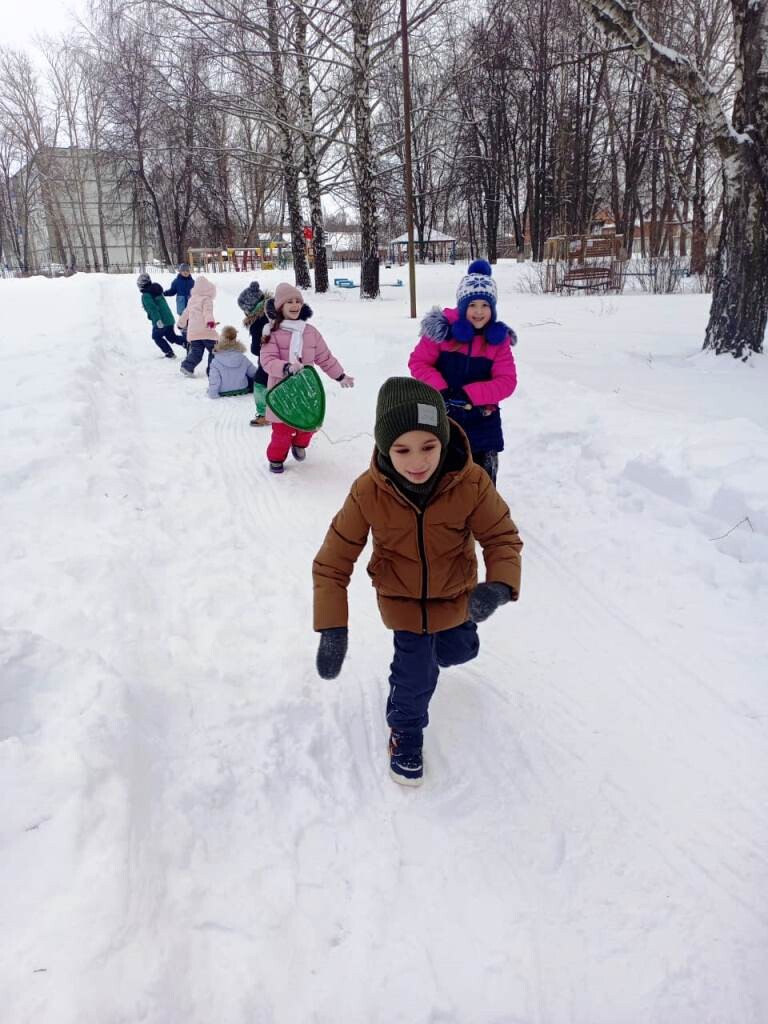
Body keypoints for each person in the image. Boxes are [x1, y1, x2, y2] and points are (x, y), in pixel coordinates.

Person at [312, 377, 523, 786]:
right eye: (402, 450)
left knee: (459, 652)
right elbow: (332, 563)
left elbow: (501, 537)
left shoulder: (471, 482)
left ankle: (452, 641)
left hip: (458, 596)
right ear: (384, 449)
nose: (417, 461)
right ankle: (405, 731)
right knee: (415, 675)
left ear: (444, 439)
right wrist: (332, 628)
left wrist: (498, 586)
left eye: (428, 446)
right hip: (403, 602)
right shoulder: (368, 492)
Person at [408, 259, 517, 484]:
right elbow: (418, 363)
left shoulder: (498, 341)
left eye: (485, 305)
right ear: (462, 305)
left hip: (482, 419)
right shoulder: (442, 332)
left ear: (493, 308)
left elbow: (507, 381)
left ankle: (483, 515)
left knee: (482, 479)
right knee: (439, 474)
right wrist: (441, 389)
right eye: (472, 305)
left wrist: (471, 394)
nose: (478, 312)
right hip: (441, 413)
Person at [259, 282, 354, 474]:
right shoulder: (272, 332)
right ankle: (276, 458)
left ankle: (300, 444)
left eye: (298, 301)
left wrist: (340, 375)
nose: (295, 305)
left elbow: (324, 357)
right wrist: (285, 367)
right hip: (281, 389)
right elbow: (267, 360)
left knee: (310, 424)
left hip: (306, 388)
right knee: (282, 432)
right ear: (280, 307)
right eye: (289, 302)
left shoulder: (310, 332)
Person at [237, 280, 271, 426]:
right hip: (282, 357)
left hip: (267, 359)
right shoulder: (272, 312)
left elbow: (256, 348)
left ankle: (265, 415)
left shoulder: (258, 322)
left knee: (260, 384)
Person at [177, 276, 219, 377]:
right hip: (206, 331)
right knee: (215, 351)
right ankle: (212, 371)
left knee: (196, 352)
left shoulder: (192, 300)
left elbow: (185, 313)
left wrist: (180, 324)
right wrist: (210, 322)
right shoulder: (206, 299)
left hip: (193, 333)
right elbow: (207, 312)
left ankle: (187, 367)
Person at [137, 273, 186, 358]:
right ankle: (187, 343)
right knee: (171, 337)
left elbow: (153, 309)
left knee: (156, 337)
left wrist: (158, 321)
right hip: (169, 319)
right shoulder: (156, 290)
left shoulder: (146, 295)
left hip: (161, 321)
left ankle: (169, 353)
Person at [207, 326, 259, 399]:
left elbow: (215, 379)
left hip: (223, 391)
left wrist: (213, 394)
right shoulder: (242, 358)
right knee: (248, 374)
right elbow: (254, 373)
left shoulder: (215, 361)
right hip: (242, 388)